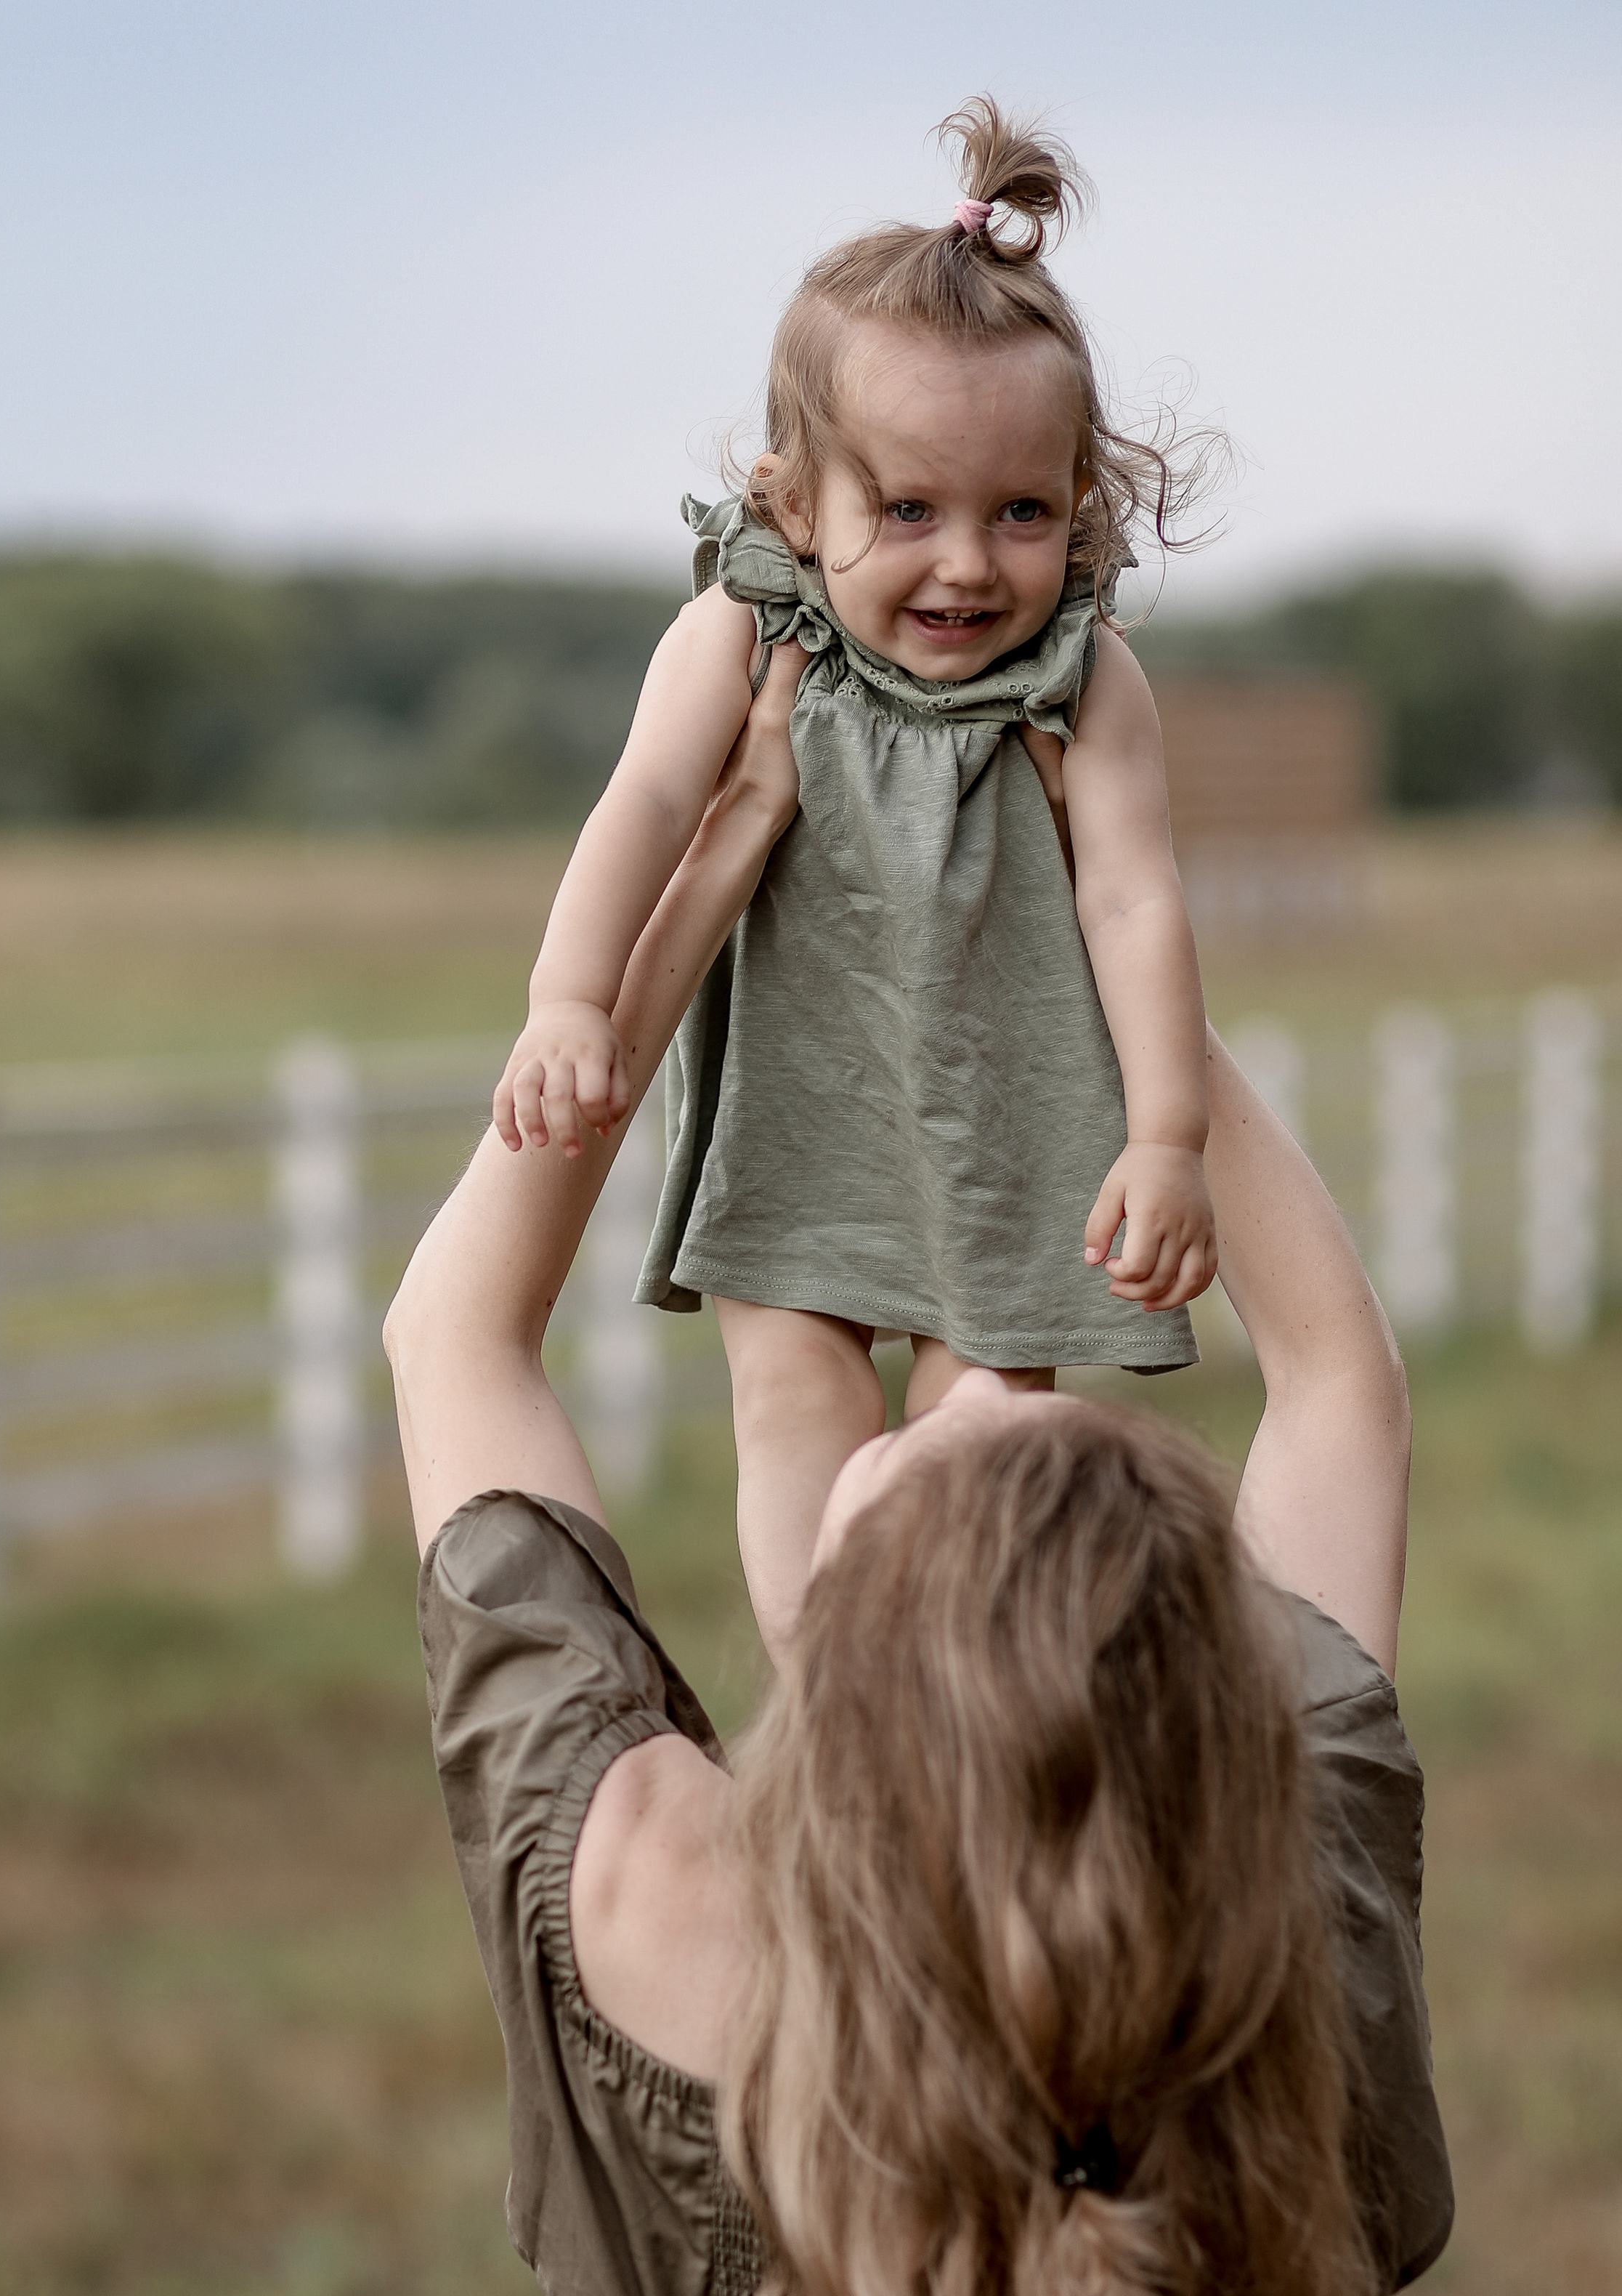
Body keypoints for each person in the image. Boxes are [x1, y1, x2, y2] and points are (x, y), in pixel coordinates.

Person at [385, 666, 1453, 2296]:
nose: (984, 1394)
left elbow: (453, 1338)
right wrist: (1101, 981)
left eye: (968, 1442)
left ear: (855, 1662)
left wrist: (700, 897)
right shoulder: (1266, 1926)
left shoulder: (646, 1883)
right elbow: (1333, 1388)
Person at [490, 100, 1223, 1660]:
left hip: (1011, 1119)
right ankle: (826, 1685)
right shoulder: (744, 639)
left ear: (1075, 506)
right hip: (806, 1097)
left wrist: (1163, 1135)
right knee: (793, 1399)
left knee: (988, 1437)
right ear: (791, 502)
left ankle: (949, 1699)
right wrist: (567, 998)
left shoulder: (1082, 683)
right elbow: (640, 808)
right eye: (906, 509)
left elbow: (1132, 902)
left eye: (1019, 512)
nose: (966, 564)